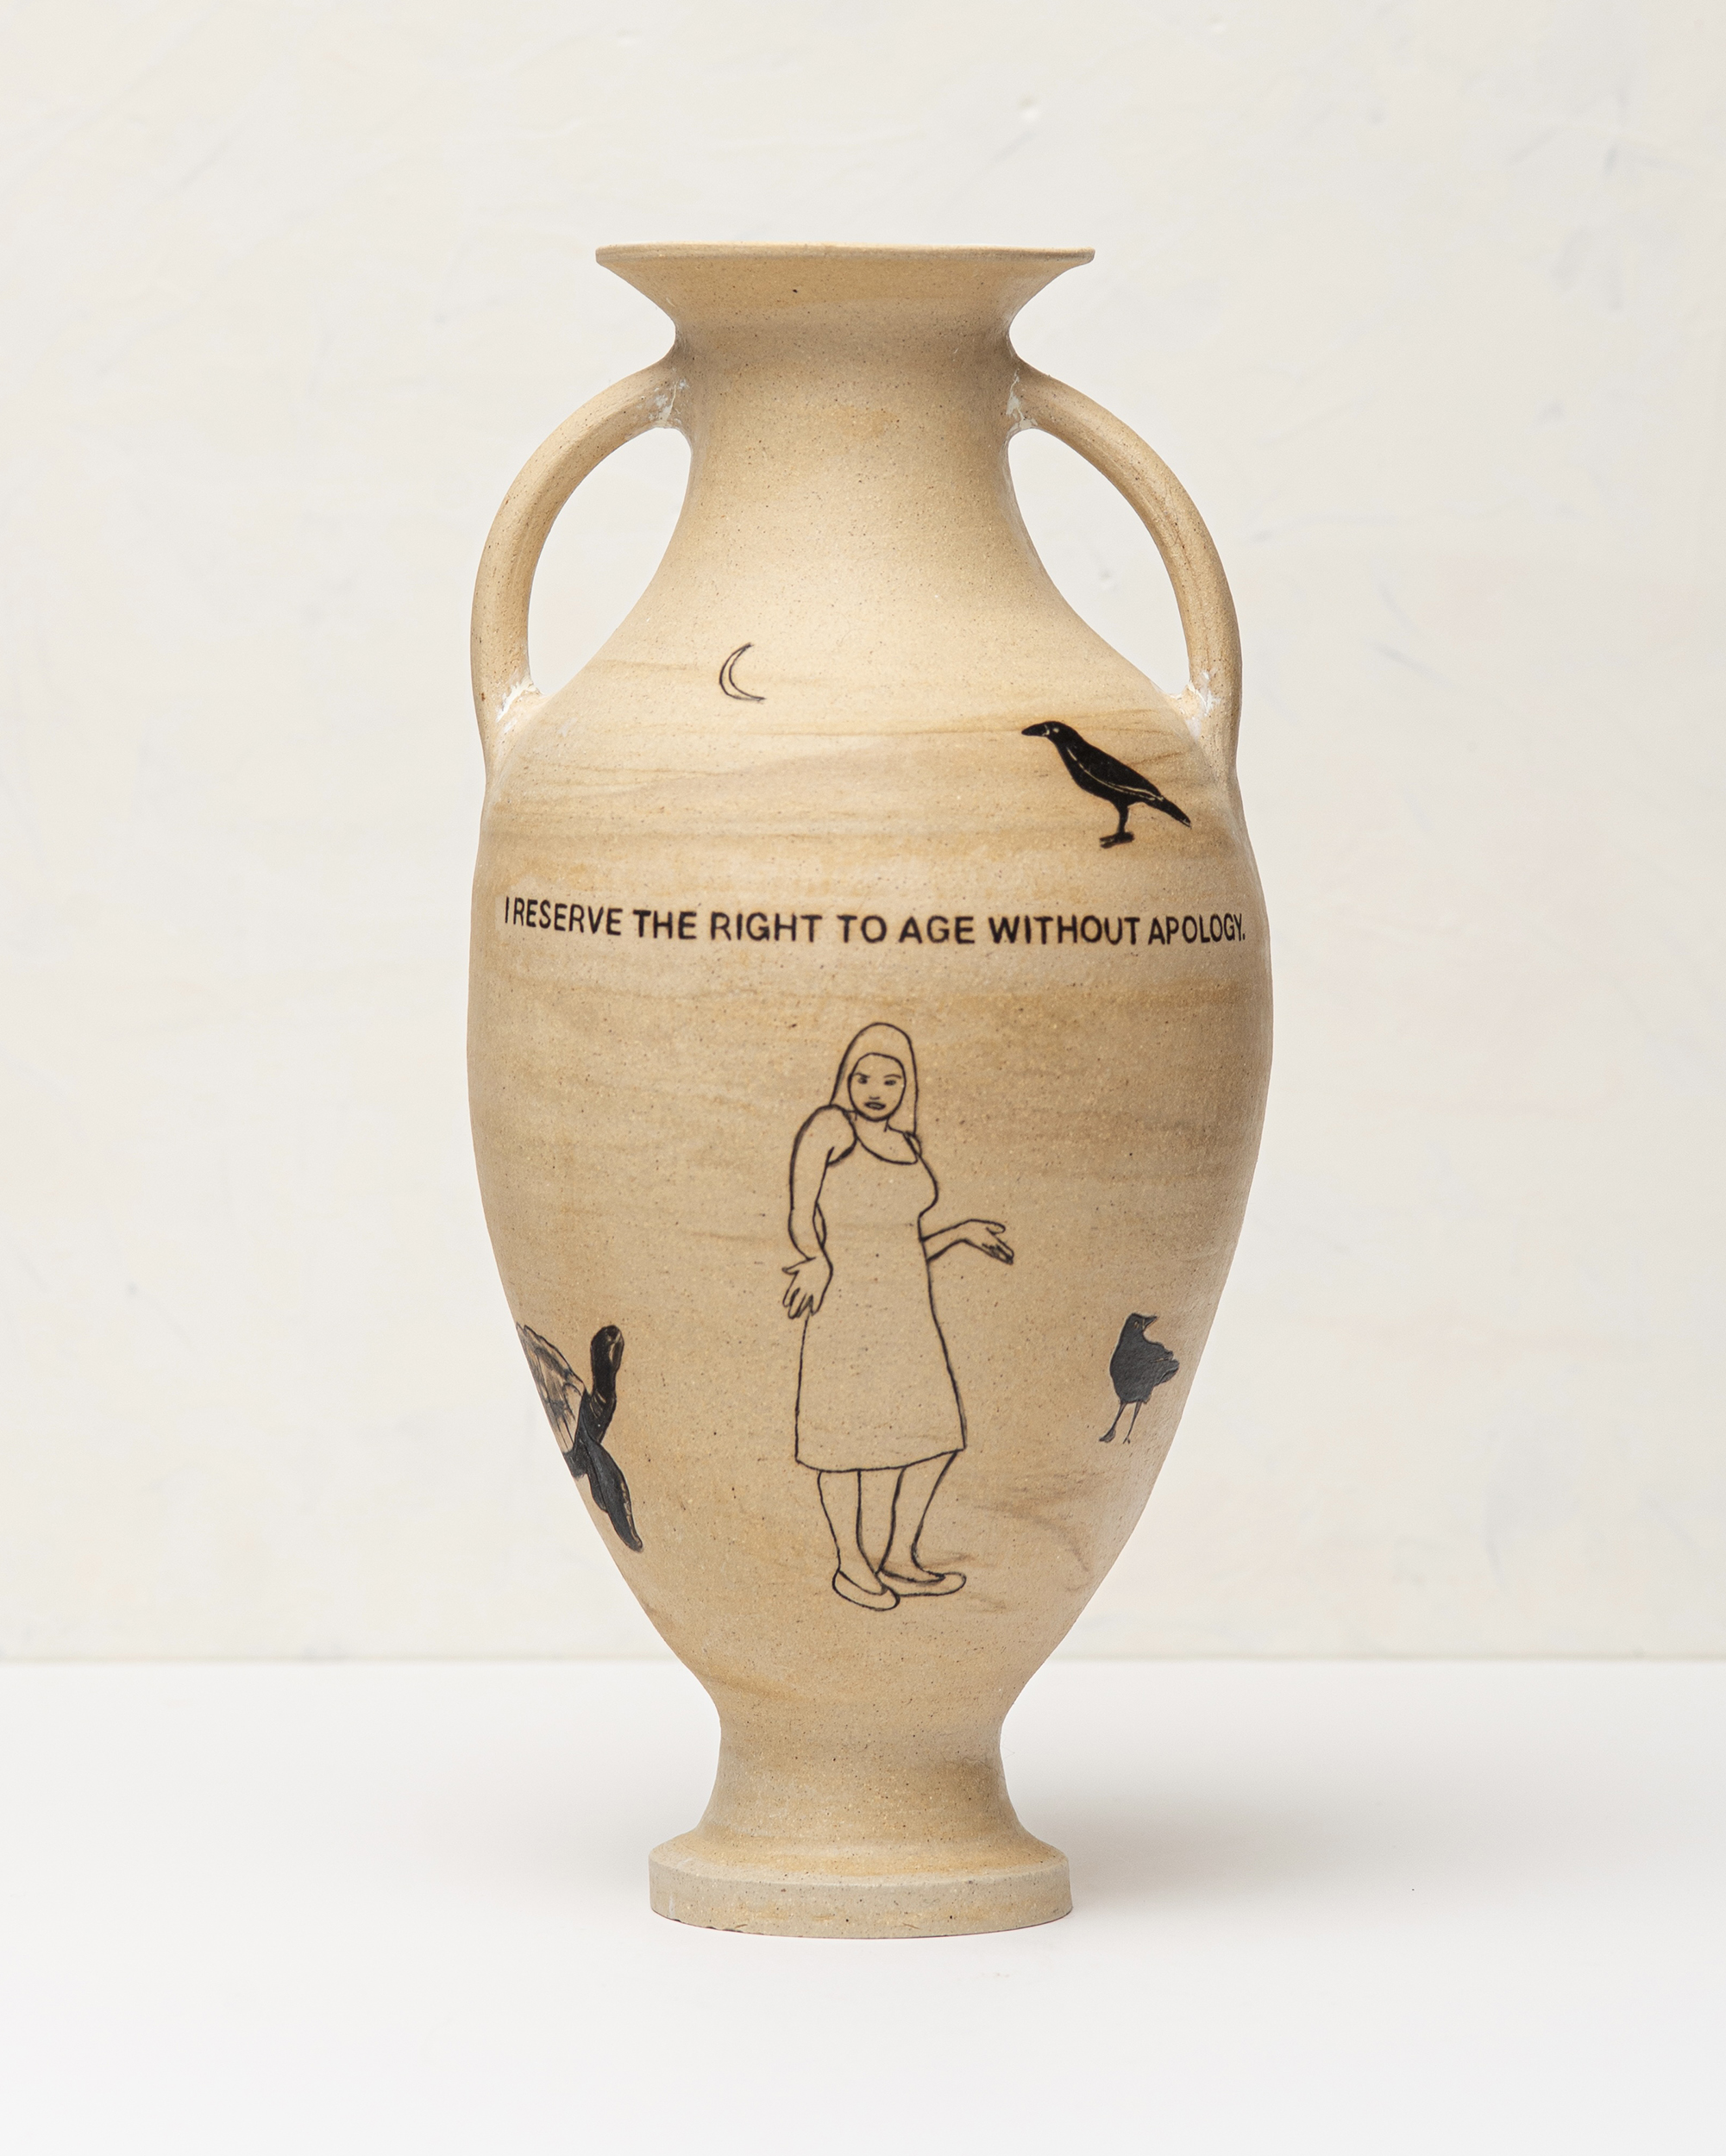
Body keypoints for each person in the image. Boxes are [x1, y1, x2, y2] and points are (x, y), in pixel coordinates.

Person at [781, 1023, 1013, 1610]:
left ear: (907, 1085)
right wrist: (815, 1260)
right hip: (844, 1304)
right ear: (847, 1079)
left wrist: (960, 1232)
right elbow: (800, 1212)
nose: (875, 1090)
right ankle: (850, 1564)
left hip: (907, 1308)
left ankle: (898, 1558)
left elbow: (902, 1244)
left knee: (931, 1434)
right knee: (845, 1441)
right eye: (863, 1077)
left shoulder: (907, 1145)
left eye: (890, 1080)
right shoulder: (831, 1128)